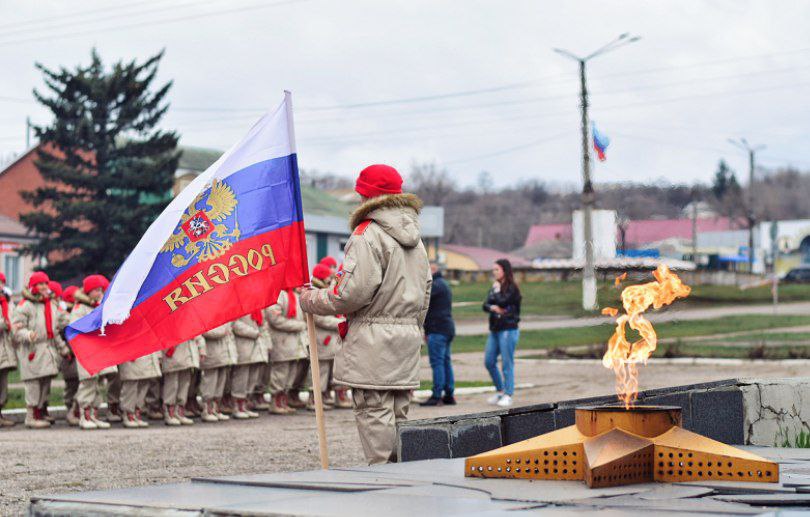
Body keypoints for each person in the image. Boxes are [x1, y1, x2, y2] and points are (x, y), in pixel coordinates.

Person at [301, 163, 431, 465]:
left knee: (375, 416)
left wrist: (311, 299)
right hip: (406, 338)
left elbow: (350, 294)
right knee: (399, 417)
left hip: (373, 343)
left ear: (366, 196)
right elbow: (425, 293)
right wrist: (410, 327)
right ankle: (405, 486)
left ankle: (387, 492)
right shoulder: (416, 239)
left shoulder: (368, 235)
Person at [11, 272, 70, 428]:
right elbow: (16, 329)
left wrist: (63, 348)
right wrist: (28, 334)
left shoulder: (50, 304)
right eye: (40, 284)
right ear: (33, 287)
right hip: (32, 349)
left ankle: (41, 411)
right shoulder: (25, 306)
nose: (44, 287)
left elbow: (57, 328)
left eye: (46, 283)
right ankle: (31, 416)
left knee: (45, 382)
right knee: (33, 384)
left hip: (48, 349)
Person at [72, 275, 117, 430]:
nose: (99, 293)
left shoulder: (99, 306)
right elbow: (76, 329)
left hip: (99, 349)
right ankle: (84, 416)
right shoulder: (80, 308)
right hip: (87, 351)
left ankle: (94, 415)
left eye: (101, 290)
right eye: (96, 290)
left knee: (98, 384)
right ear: (88, 291)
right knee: (87, 384)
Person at [482, 258, 522, 408]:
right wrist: (493, 307)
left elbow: (504, 303)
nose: (494, 272)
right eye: (493, 270)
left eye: (497, 269)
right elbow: (485, 305)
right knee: (489, 361)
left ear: (505, 270)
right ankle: (500, 390)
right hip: (495, 329)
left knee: (507, 363)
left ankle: (508, 394)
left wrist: (496, 295)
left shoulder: (512, 288)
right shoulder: (495, 286)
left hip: (508, 329)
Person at [309, 263, 345, 410]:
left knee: (329, 371)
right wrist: (341, 322)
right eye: (329, 277)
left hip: (330, 340)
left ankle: (324, 396)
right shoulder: (316, 293)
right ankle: (314, 399)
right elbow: (320, 319)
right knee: (320, 373)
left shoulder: (324, 291)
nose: (331, 279)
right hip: (321, 340)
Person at [420, 261, 456, 407]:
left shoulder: (435, 285)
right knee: (445, 361)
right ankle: (449, 394)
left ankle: (436, 395)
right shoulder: (443, 284)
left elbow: (420, 298)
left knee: (437, 362)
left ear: (432, 269)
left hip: (437, 329)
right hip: (446, 328)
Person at [267, 288, 308, 415]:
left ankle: (284, 401)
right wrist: (299, 325)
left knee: (290, 375)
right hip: (282, 342)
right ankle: (276, 403)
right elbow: (275, 319)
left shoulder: (295, 295)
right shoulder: (279, 294)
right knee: (280, 374)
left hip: (295, 344)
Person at [161, 335, 205, 425]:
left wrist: (201, 350)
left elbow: (198, 335)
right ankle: (170, 413)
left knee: (184, 385)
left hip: (188, 356)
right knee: (172, 386)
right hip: (173, 356)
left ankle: (179, 412)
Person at [199, 322, 236, 422]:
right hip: (211, 352)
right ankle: (207, 410)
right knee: (210, 382)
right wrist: (222, 331)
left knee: (220, 382)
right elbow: (204, 330)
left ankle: (215, 408)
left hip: (223, 352)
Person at [231, 312, 265, 419]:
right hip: (243, 345)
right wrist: (253, 332)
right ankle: (237, 406)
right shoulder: (237, 304)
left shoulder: (256, 306)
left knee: (252, 377)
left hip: (256, 346)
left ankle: (245, 404)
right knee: (241, 377)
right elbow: (235, 324)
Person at [118, 350, 162, 428]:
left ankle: (137, 412)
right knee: (131, 382)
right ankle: (128, 414)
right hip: (131, 348)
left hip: (146, 348)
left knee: (144, 381)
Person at [0, 273, 16, 427]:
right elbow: (6, 323)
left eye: (1, 282)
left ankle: (0, 413)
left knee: (3, 385)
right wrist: (3, 324)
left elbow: (13, 320)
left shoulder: (7, 302)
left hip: (5, 349)